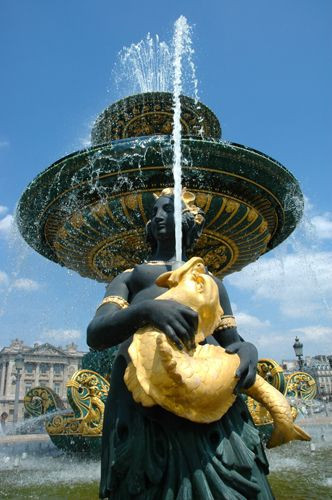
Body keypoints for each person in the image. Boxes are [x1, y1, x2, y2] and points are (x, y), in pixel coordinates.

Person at [87, 189, 274, 499]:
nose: (158, 216)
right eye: (155, 212)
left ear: (190, 221)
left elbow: (230, 340)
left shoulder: (210, 282)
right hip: (145, 402)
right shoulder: (132, 277)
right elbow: (96, 334)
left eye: (168, 210)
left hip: (212, 398)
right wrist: (146, 310)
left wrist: (247, 349)